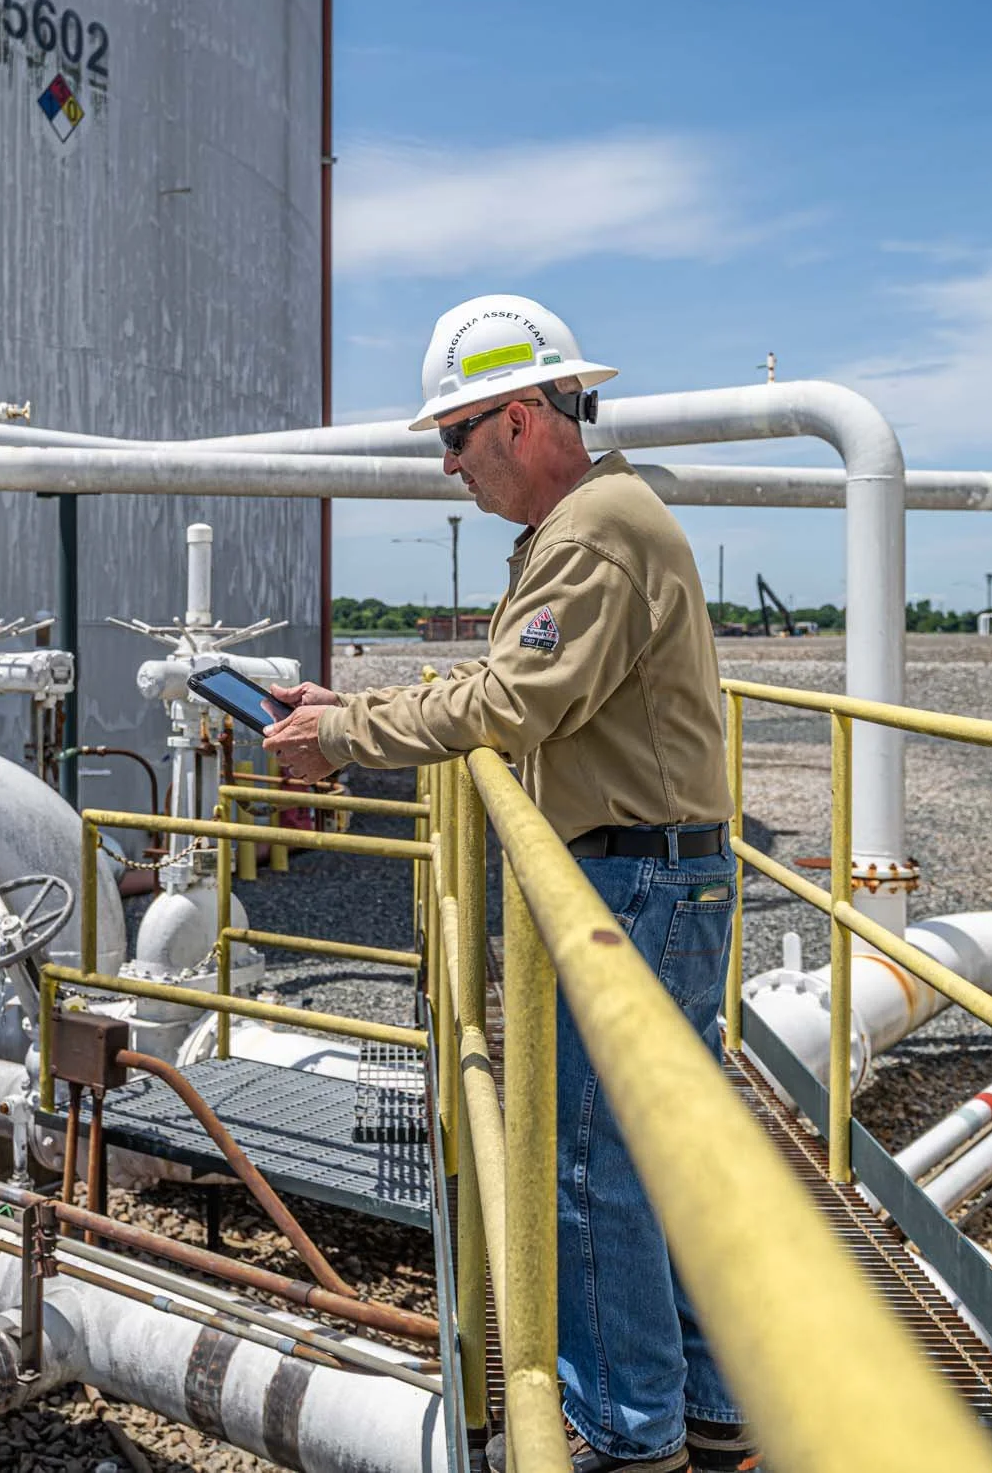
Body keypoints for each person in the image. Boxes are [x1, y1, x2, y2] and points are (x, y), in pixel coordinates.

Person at [261, 295, 756, 1473]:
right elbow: (514, 679)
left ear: (524, 417)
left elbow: (508, 700)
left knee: (589, 1163)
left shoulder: (591, 531)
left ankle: (620, 1431)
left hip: (629, 889)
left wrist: (346, 737)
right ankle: (713, 1404)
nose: (447, 464)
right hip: (659, 875)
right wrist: (355, 709)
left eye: (456, 435)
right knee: (660, 1152)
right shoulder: (598, 524)